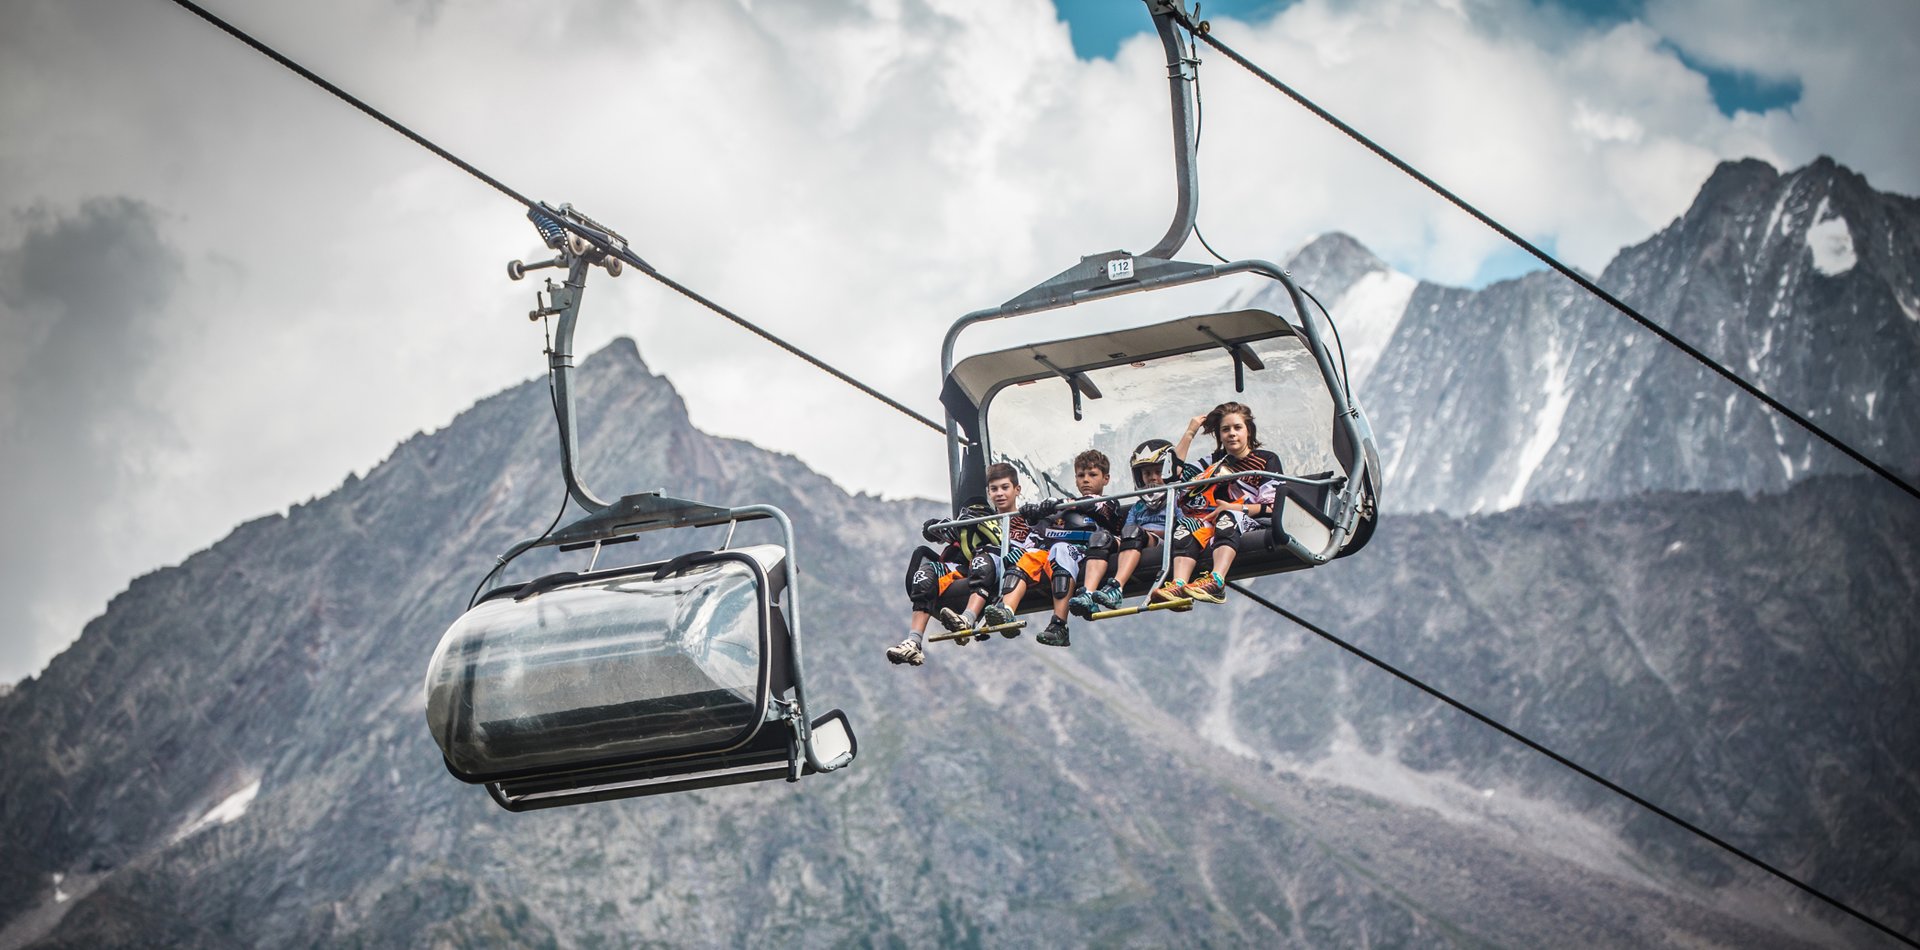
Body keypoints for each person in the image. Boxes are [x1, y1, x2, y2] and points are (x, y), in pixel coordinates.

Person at [886, 463, 1029, 666]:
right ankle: (914, 641)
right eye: (994, 489)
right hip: (971, 566)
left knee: (983, 556)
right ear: (988, 492)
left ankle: (968, 618)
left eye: (1005, 488)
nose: (999, 493)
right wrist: (940, 529)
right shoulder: (985, 517)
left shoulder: (1027, 518)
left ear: (1017, 489)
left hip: (1006, 565)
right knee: (924, 575)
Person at [1150, 401, 1284, 606]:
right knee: (1186, 527)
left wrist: (1235, 508)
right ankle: (1179, 585)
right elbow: (1172, 476)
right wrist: (1190, 433)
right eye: (1225, 429)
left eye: (1237, 428)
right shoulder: (1215, 460)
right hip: (1213, 522)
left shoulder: (1266, 460)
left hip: (1252, 519)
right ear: (1220, 436)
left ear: (1248, 431)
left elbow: (1273, 507)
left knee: (1226, 517)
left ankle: (1217, 581)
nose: (1232, 434)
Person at [1069, 438, 1202, 616]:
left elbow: (1183, 526)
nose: (1153, 477)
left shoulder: (1175, 499)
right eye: (1147, 474)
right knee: (1100, 538)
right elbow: (1127, 530)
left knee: (1133, 532)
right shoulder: (1138, 507)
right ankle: (1088, 593)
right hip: (1136, 538)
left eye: (1158, 472)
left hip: (1161, 542)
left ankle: (1116, 588)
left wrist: (1151, 532)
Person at [1009, 450, 1120, 648]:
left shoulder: (1108, 503)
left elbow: (1096, 507)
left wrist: (1060, 504)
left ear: (1106, 478)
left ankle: (1059, 623)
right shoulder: (1063, 511)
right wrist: (1033, 516)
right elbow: (1037, 534)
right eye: (1081, 476)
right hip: (1054, 555)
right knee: (1032, 557)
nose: (1086, 480)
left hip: (1091, 552)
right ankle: (1006, 610)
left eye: (1092, 475)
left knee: (1061, 550)